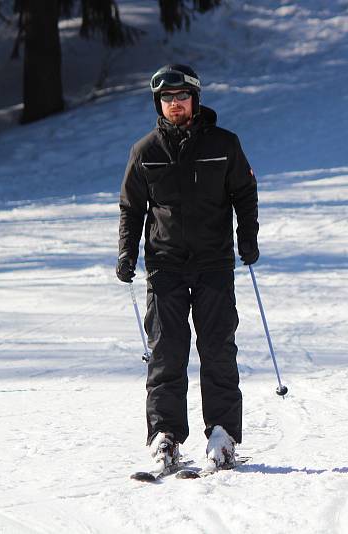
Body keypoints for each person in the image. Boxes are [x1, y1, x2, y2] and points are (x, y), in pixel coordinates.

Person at [117, 64, 259, 474]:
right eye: (166, 98)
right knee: (166, 353)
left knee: (217, 348)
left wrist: (247, 238)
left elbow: (245, 194)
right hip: (165, 266)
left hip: (214, 263)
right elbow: (131, 208)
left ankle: (222, 435)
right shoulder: (146, 151)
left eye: (181, 97)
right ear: (158, 103)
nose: (174, 104)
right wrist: (127, 253)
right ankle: (165, 436)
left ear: (195, 99)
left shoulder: (224, 144)